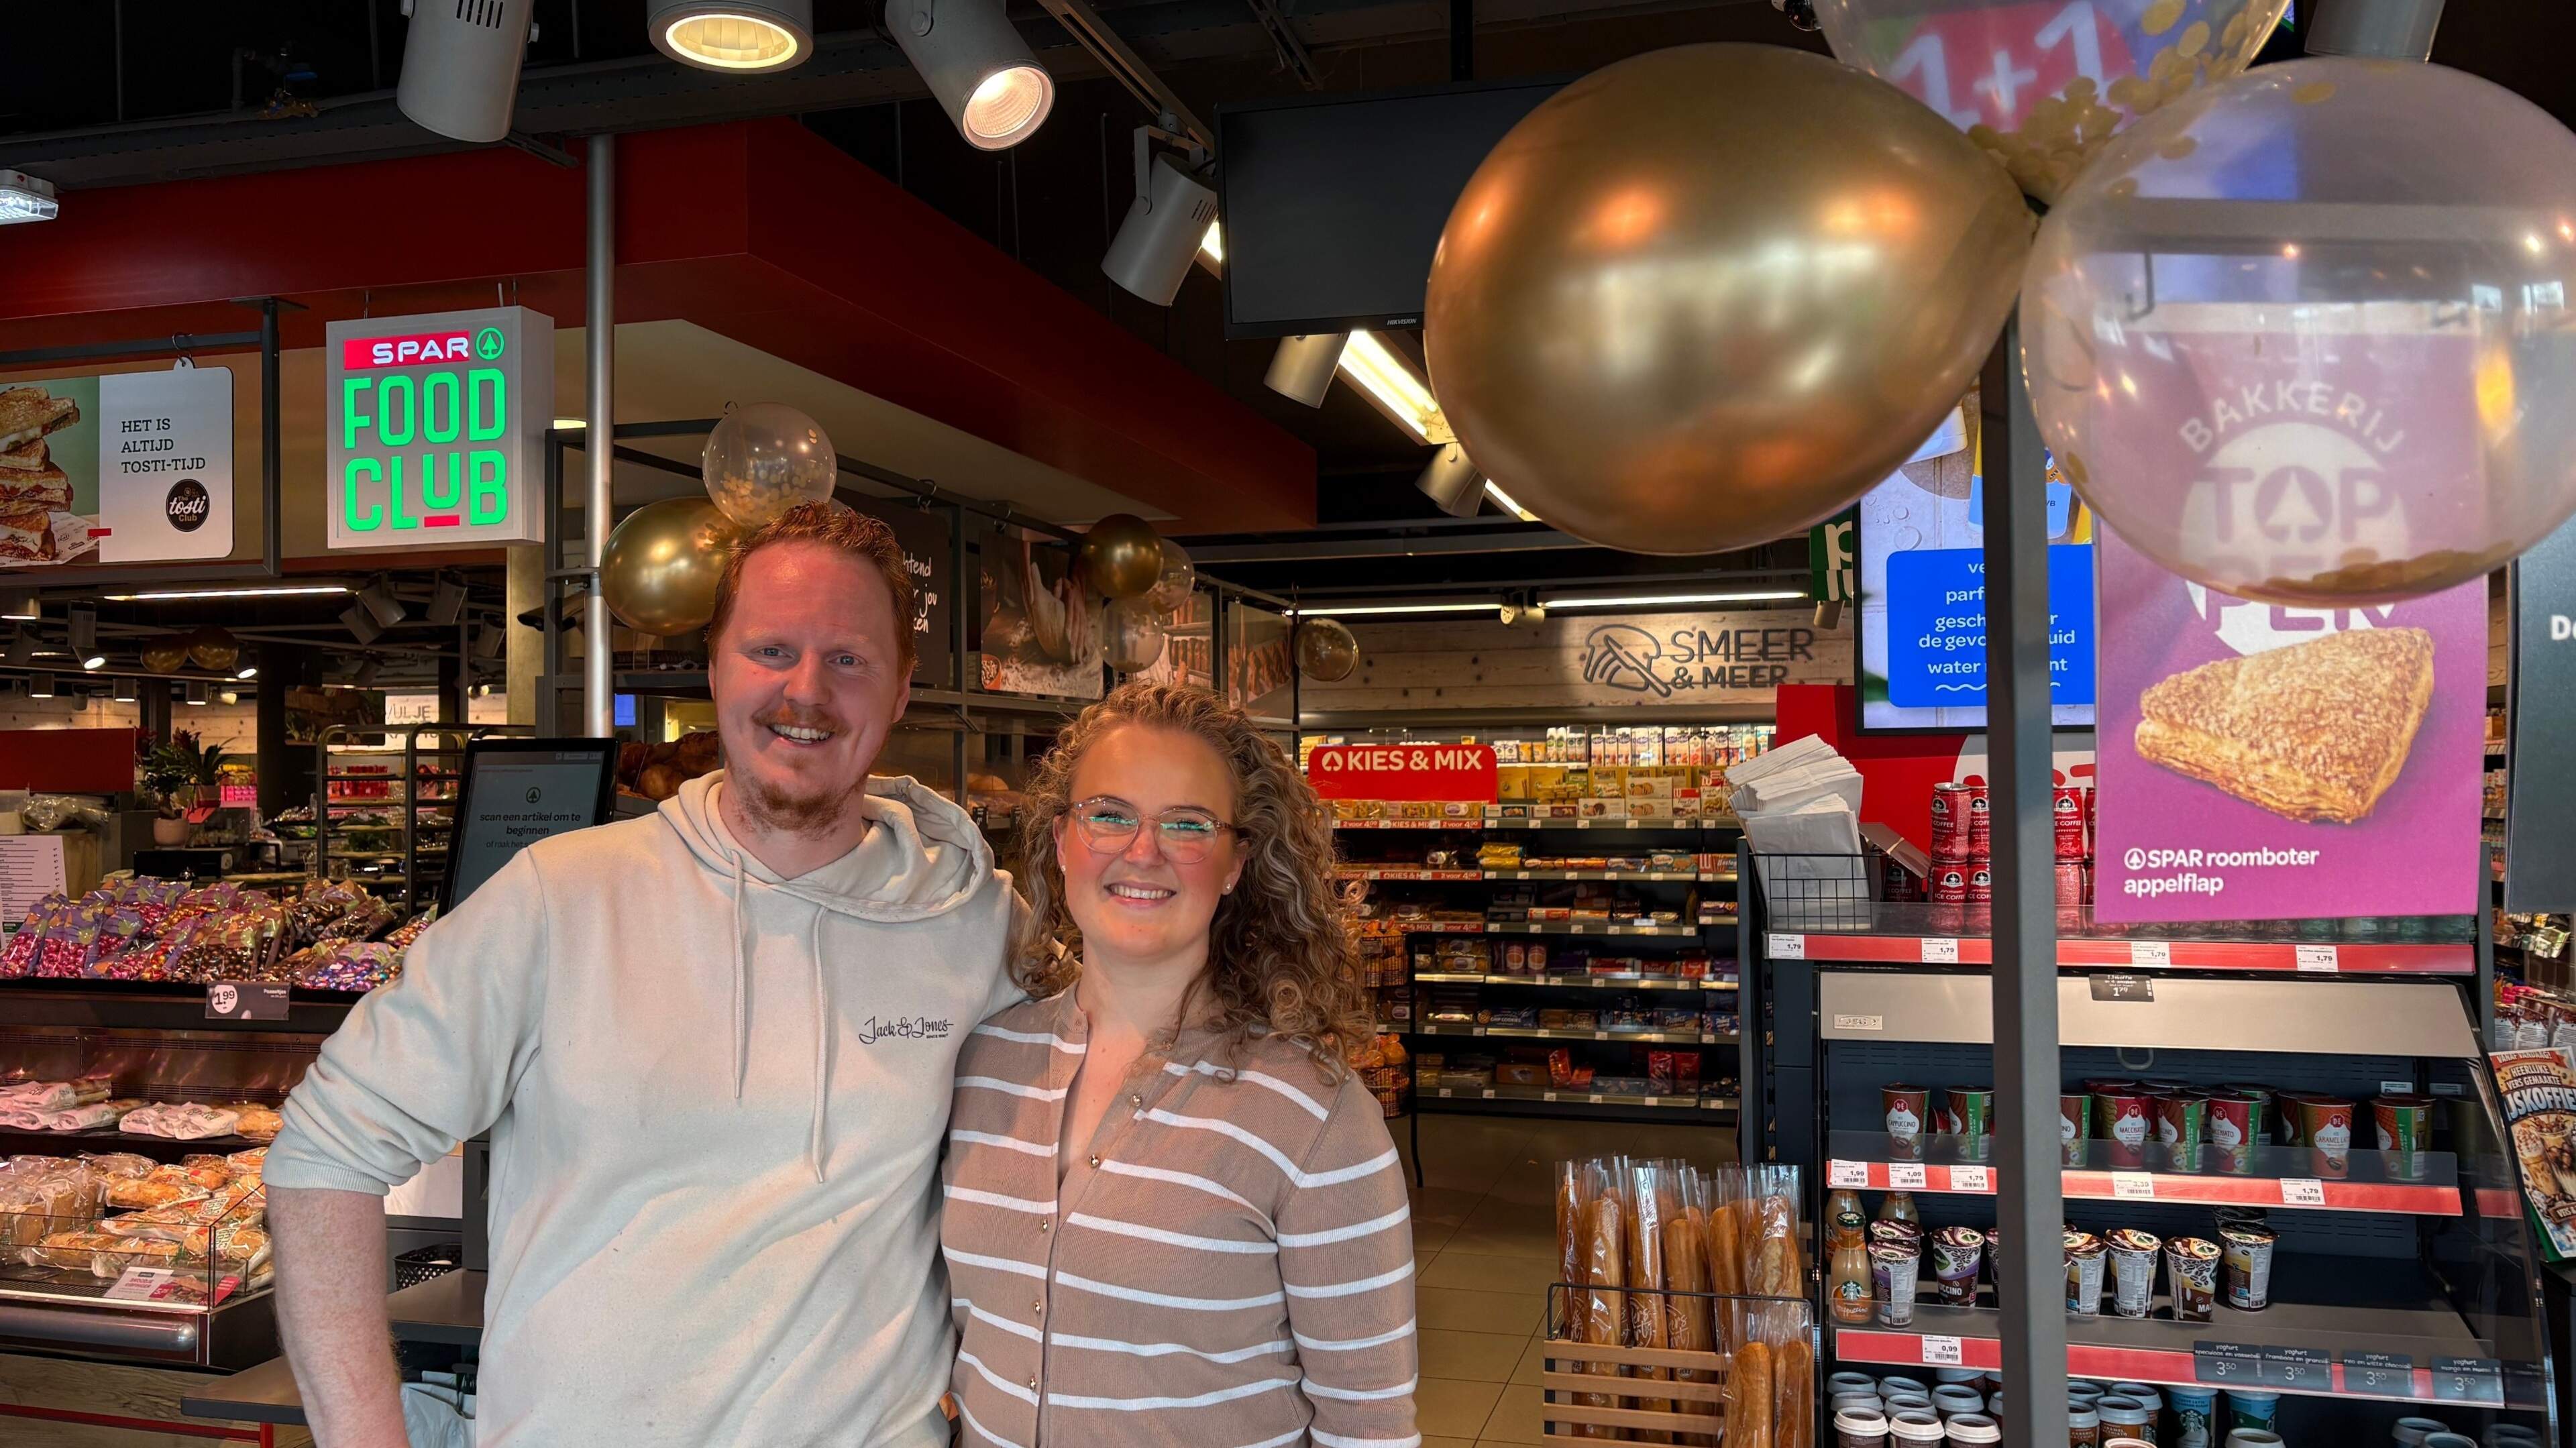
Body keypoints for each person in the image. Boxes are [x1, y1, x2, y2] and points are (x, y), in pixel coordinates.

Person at [266, 501, 1022, 1447]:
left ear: (903, 688)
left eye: (849, 658)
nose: (806, 691)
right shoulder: (559, 900)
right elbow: (326, 1149)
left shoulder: (974, 921)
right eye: (772, 650)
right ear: (715, 669)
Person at [943, 682, 1419, 1448]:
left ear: (1236, 863)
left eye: (1188, 824)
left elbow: (1369, 1424)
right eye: (1109, 814)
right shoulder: (984, 1065)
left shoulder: (1315, 1116)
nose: (1142, 851)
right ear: (1062, 837)